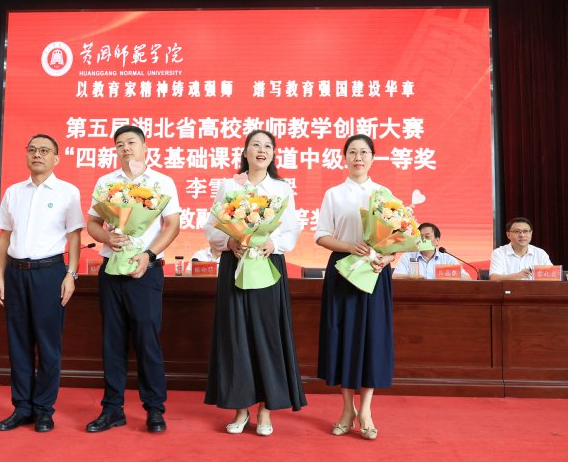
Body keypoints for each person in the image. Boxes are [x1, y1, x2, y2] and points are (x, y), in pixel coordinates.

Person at [203, 129, 307, 436]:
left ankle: (265, 411)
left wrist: (274, 243)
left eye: (267, 146)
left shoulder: (281, 188)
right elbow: (212, 226)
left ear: (273, 154)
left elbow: (292, 229)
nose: (262, 150)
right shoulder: (229, 186)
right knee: (236, 336)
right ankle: (240, 410)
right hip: (235, 264)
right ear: (245, 152)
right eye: (255, 145)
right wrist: (229, 241)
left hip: (267, 265)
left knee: (267, 335)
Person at [86, 125, 181, 434]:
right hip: (111, 269)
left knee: (147, 340)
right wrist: (107, 238)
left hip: (146, 271)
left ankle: (154, 409)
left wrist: (149, 255)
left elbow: (172, 225)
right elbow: (92, 224)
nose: (125, 148)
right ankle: (112, 409)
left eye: (131, 142)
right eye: (119, 144)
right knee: (112, 341)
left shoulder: (161, 182)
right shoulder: (106, 182)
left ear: (145, 147)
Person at [0, 134, 85, 433]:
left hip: (49, 273)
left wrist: (71, 274)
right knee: (18, 343)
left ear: (56, 158)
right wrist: (0, 276)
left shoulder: (68, 192)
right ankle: (22, 408)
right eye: (32, 150)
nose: (37, 155)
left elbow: (74, 237)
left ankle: (44, 409)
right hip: (16, 273)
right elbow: (4, 238)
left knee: (48, 344)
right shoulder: (13, 192)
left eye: (44, 151)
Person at [315, 134, 394, 440]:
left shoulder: (384, 194)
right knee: (343, 337)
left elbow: (397, 240)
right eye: (352, 152)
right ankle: (347, 408)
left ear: (373, 158)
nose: (358, 157)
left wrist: (387, 259)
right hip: (344, 271)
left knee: (372, 338)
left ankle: (366, 411)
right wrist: (350, 246)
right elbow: (322, 236)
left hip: (375, 272)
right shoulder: (334, 194)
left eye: (364, 152)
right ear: (344, 157)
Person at [393, 222, 470, 279]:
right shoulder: (408, 256)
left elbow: (467, 278)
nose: (423, 240)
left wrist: (445, 274)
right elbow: (394, 277)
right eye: (420, 237)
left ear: (437, 241)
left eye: (427, 237)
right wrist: (412, 277)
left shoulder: (447, 259)